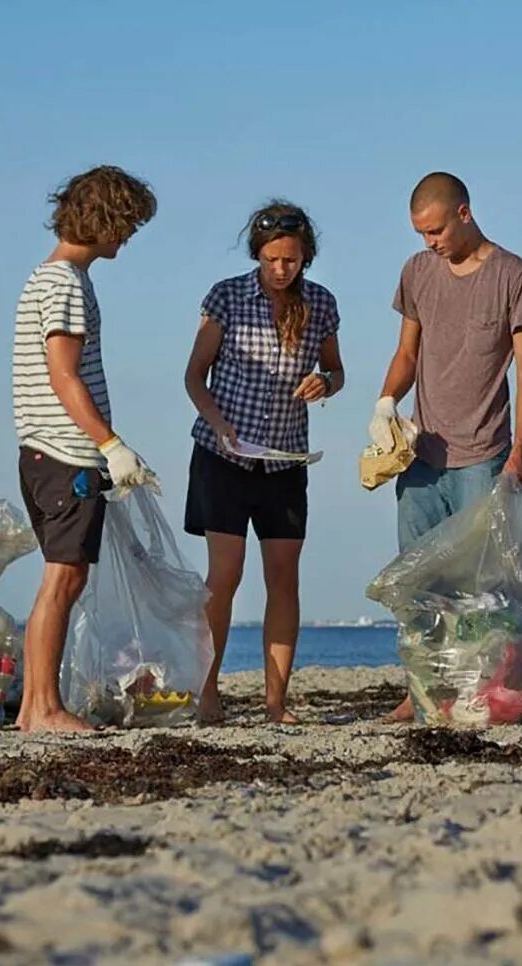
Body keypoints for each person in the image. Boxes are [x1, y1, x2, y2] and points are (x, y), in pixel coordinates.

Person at [366, 172, 522, 721]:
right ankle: (422, 688)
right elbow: (406, 353)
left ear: (464, 213)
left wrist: (520, 453)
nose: (429, 242)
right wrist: (385, 403)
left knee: (484, 587)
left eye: (436, 230)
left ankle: (491, 687)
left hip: (484, 454)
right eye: (420, 233)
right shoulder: (418, 272)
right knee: (417, 584)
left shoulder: (515, 275)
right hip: (421, 458)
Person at [183, 201, 345, 724]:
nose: (282, 269)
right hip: (222, 456)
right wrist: (221, 424)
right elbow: (194, 377)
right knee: (224, 576)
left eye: (292, 260)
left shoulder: (320, 304)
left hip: (285, 460)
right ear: (258, 253)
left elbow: (336, 371)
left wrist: (326, 383)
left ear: (306, 259)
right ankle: (207, 694)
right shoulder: (227, 296)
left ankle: (276, 704)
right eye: (273, 259)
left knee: (284, 577)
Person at [11, 165, 159, 733]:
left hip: (43, 450)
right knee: (64, 578)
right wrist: (110, 445)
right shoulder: (65, 283)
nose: (129, 237)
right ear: (105, 221)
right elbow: (64, 375)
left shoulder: (46, 277)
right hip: (66, 452)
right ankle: (45, 708)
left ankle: (31, 708)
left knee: (61, 577)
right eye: (128, 225)